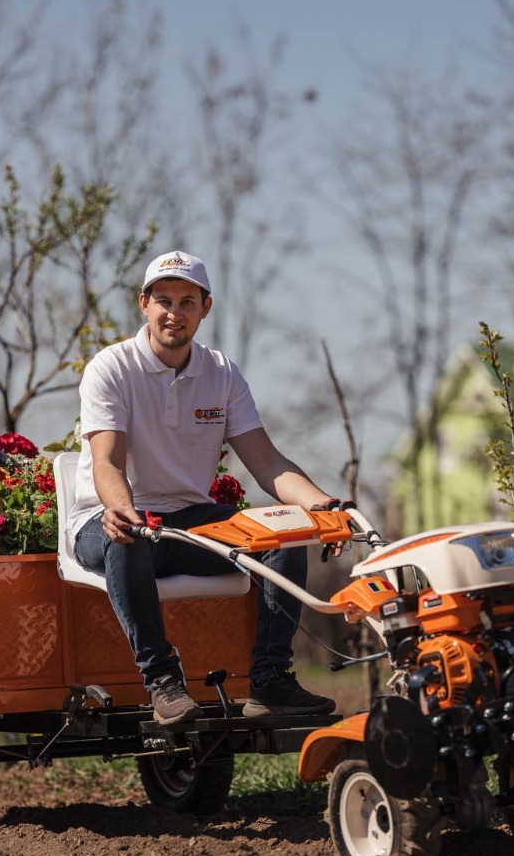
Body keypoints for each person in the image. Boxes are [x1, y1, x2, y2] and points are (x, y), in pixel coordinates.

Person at [66, 249, 342, 725]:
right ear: (144, 304)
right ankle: (162, 681)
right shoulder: (111, 367)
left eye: (187, 302)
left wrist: (322, 505)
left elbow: (268, 462)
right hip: (108, 522)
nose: (174, 313)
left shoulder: (222, 373)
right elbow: (106, 462)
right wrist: (122, 509)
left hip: (189, 523)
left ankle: (270, 681)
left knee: (284, 537)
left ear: (205, 309)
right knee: (128, 536)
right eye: (164, 301)